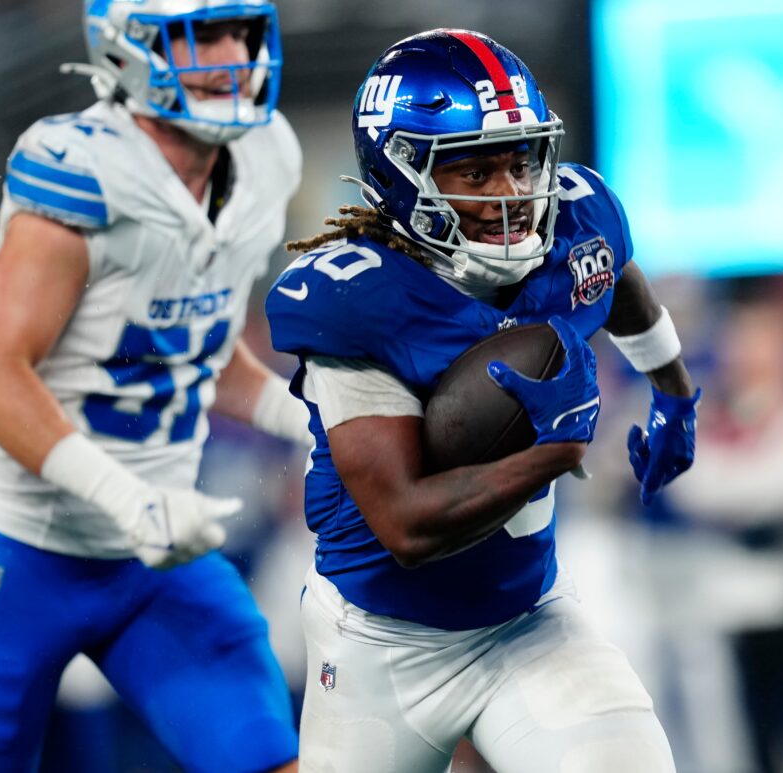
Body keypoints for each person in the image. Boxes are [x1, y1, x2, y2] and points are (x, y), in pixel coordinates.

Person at [265, 28, 700, 773]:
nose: (512, 192)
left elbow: (609, 273)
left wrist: (672, 389)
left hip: (527, 622)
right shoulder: (357, 300)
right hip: (382, 647)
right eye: (475, 171)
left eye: (520, 159)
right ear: (403, 174)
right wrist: (553, 452)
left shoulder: (575, 218)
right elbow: (405, 524)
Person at [0, 1, 309, 770]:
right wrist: (130, 499)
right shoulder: (82, 171)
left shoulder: (267, 155)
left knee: (268, 757)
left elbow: (197, 348)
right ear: (127, 51)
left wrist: (299, 415)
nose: (231, 56)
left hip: (157, 561)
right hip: (19, 549)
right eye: (201, 35)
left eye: (241, 34)